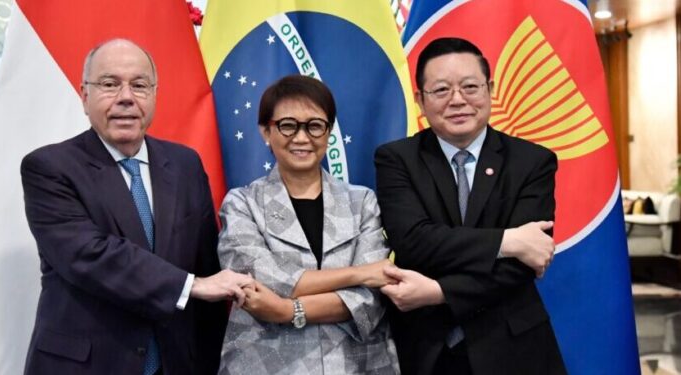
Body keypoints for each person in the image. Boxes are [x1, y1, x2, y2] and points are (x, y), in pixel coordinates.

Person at [20, 39, 253, 375]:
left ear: (154, 96)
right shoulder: (49, 167)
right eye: (110, 84)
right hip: (85, 366)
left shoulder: (185, 164)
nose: (126, 97)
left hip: (175, 363)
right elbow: (91, 255)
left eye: (139, 85)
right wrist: (191, 285)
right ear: (85, 97)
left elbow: (207, 265)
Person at [374, 37, 567, 375]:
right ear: (419, 99)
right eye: (441, 90)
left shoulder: (532, 162)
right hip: (424, 349)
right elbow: (414, 243)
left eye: (470, 87)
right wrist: (507, 242)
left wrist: (437, 291)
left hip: (513, 346)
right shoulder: (396, 159)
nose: (458, 100)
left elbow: (520, 267)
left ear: (490, 89)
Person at [216, 75, 399, 374]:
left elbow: (371, 297)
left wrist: (288, 310)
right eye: (288, 125)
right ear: (266, 131)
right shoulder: (241, 203)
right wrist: (359, 273)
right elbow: (263, 284)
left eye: (315, 126)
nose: (302, 138)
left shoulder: (362, 202)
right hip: (265, 364)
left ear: (328, 132)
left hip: (355, 363)